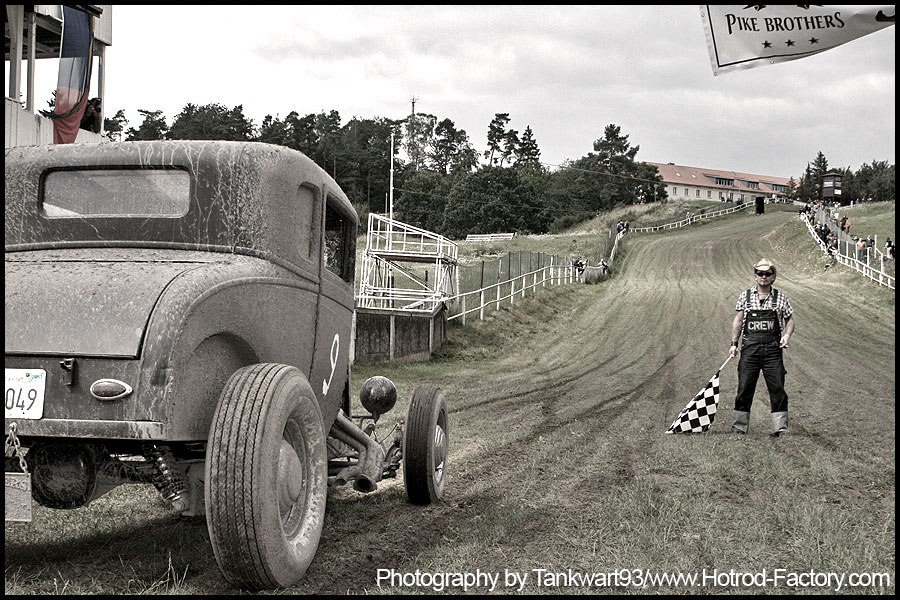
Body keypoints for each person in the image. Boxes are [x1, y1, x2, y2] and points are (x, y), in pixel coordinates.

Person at [728, 258, 795, 436]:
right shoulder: (745, 296)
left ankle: (780, 428)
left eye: (767, 274)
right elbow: (739, 321)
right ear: (755, 275)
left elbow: (789, 320)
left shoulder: (781, 297)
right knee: (744, 388)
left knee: (778, 388)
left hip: (773, 351)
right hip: (750, 349)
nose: (763, 277)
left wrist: (786, 336)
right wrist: (734, 344)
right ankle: (739, 427)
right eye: (760, 273)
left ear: (773, 276)